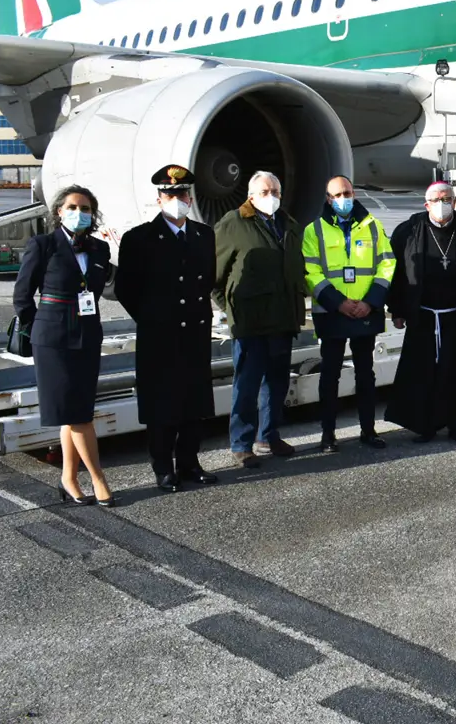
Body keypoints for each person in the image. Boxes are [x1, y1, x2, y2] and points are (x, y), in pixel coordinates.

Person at [114, 164, 219, 493]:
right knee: (162, 406)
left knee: (194, 403)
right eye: (170, 194)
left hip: (195, 334)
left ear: (190, 197)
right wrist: (151, 318)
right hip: (160, 336)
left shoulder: (204, 235)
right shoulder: (139, 238)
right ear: (159, 198)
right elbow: (125, 289)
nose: (177, 199)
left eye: (182, 194)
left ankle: (189, 462)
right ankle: (163, 467)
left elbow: (207, 281)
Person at [12, 185, 115, 506]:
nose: (79, 213)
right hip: (53, 341)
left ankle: (68, 478)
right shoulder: (42, 245)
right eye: (73, 207)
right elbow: (22, 297)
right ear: (59, 211)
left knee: (77, 411)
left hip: (87, 337)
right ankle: (98, 478)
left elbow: (104, 289)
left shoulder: (99, 249)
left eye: (86, 208)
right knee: (78, 416)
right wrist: (41, 326)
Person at [213, 171, 305, 468]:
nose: (272, 197)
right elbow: (216, 273)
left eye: (276, 191)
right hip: (250, 320)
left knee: (277, 382)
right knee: (247, 384)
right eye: (266, 192)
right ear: (251, 196)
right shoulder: (233, 223)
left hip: (282, 317)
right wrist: (228, 306)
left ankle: (269, 435)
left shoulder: (288, 225)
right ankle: (242, 443)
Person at [385, 181, 456, 442]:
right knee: (423, 374)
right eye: (437, 200)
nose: (443, 205)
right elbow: (395, 274)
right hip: (423, 314)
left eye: (447, 199)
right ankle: (425, 425)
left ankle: (455, 423)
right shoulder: (407, 231)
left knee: (455, 372)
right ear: (427, 204)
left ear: (454, 202)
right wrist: (396, 310)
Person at [303, 175, 395, 451]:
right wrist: (338, 302)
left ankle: (368, 430)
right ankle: (327, 434)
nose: (344, 199)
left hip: (365, 309)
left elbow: (387, 264)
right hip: (332, 312)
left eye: (348, 193)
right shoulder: (314, 230)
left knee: (365, 373)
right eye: (337, 195)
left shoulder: (373, 226)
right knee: (329, 374)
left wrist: (370, 301)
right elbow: (311, 271)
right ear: (328, 200)